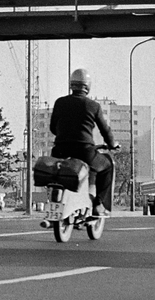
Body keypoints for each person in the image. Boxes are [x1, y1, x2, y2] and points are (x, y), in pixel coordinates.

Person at [49, 68, 116, 214]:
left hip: (60, 151)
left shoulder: (59, 102)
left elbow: (53, 128)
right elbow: (105, 130)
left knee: (57, 174)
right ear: (88, 86)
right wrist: (112, 144)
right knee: (107, 165)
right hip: (84, 152)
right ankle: (98, 204)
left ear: (71, 84)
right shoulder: (93, 106)